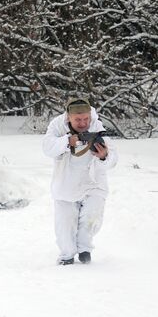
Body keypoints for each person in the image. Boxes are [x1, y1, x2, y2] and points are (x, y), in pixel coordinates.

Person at [42, 97, 118, 265]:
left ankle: (84, 249)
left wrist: (104, 156)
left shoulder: (97, 126)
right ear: (68, 117)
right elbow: (47, 148)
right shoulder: (57, 126)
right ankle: (67, 254)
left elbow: (113, 158)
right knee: (65, 221)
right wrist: (67, 141)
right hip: (66, 182)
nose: (83, 123)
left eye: (86, 119)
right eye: (78, 120)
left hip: (94, 182)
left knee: (91, 217)